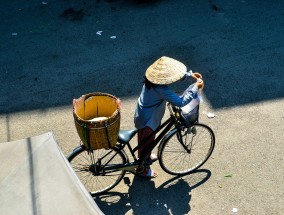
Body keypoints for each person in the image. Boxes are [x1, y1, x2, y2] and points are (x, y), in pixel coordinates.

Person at [134, 56, 204, 178]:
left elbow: (173, 76)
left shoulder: (151, 80)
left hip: (144, 114)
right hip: (148, 119)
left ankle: (147, 156)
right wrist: (195, 87)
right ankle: (142, 170)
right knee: (146, 143)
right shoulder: (161, 89)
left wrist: (189, 75)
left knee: (146, 141)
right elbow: (180, 102)